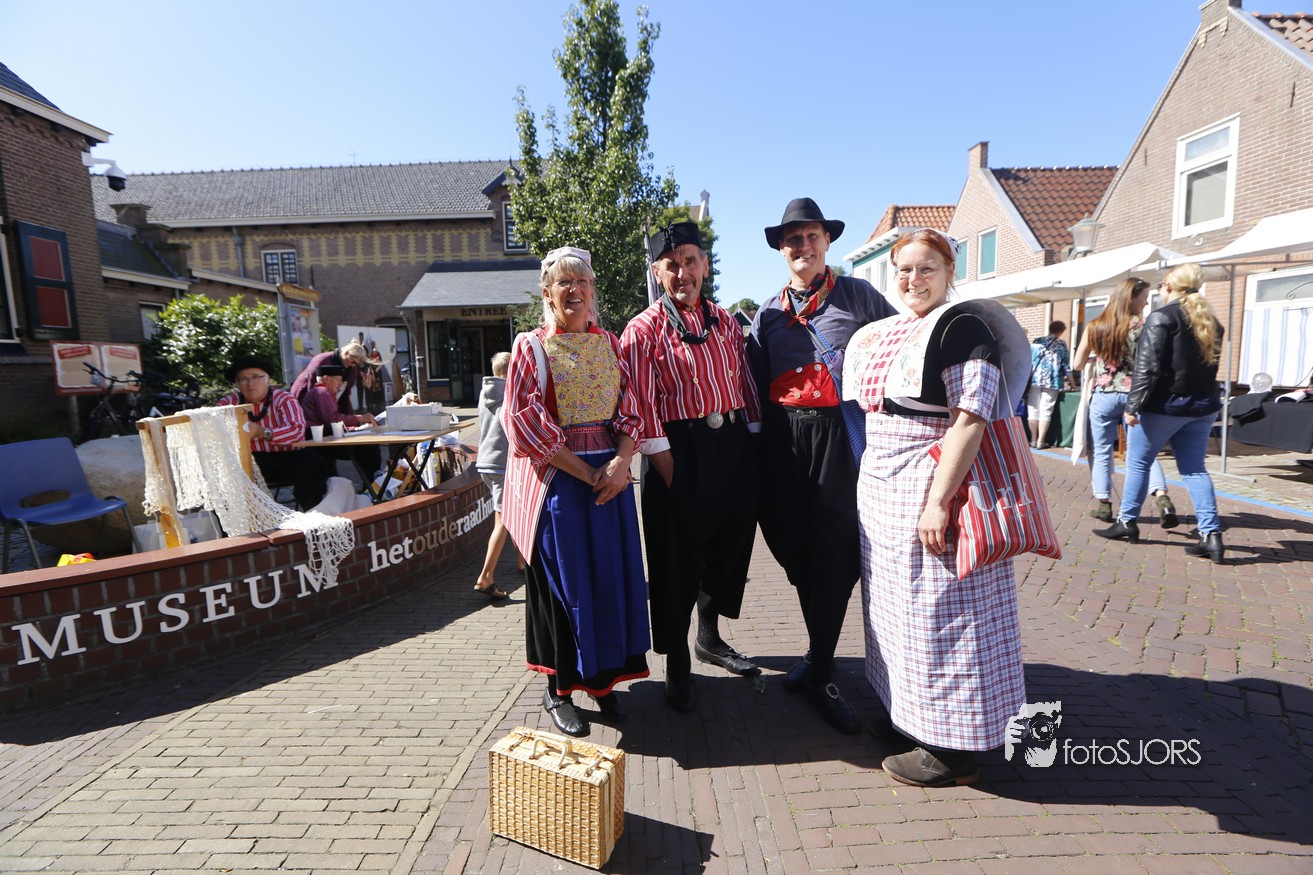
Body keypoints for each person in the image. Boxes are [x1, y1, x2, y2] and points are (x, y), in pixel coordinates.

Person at [843, 229, 1031, 787]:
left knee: (942, 614)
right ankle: (911, 716)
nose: (913, 279)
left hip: (930, 485)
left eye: (927, 268)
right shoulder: (892, 329)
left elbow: (970, 419)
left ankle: (951, 749)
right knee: (895, 612)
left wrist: (939, 502)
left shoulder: (963, 325)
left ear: (950, 271)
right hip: (886, 489)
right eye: (904, 269)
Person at [746, 197, 894, 735]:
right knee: (792, 545)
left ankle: (822, 670)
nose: (803, 246)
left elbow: (903, 346)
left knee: (837, 549)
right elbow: (756, 385)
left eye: (811, 236)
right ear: (781, 249)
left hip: (839, 435)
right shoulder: (767, 313)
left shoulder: (858, 296)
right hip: (785, 440)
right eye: (793, 239)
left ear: (827, 242)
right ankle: (817, 654)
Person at [501, 246, 650, 738]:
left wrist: (622, 463)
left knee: (608, 580)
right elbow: (524, 423)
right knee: (565, 586)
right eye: (563, 283)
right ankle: (559, 689)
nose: (574, 290)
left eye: (582, 281)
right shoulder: (531, 347)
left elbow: (632, 409)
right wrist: (588, 474)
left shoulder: (611, 343)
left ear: (592, 290)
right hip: (559, 484)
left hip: (611, 479)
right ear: (547, 293)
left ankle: (602, 681)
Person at [619, 221, 763, 714]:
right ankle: (677, 662)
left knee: (727, 548)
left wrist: (752, 441)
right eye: (672, 265)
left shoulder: (725, 321)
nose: (683, 273)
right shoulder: (642, 329)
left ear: (704, 266)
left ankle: (709, 637)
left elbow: (744, 383)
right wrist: (669, 469)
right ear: (658, 273)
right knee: (676, 561)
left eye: (690, 262)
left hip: (731, 445)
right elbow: (640, 402)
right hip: (675, 451)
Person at [1096, 263, 1227, 562]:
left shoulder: (1161, 317)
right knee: (1195, 470)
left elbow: (1148, 368)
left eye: (1160, 285)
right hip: (1202, 407)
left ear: (1168, 287)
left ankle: (1127, 522)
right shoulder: (1211, 321)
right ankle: (1211, 535)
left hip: (1165, 406)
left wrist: (1132, 407)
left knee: (1138, 464)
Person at [1071, 278, 1177, 526]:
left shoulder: (1096, 326)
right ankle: (1161, 496)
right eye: (1144, 297)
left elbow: (1076, 364)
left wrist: (1099, 361)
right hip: (1137, 396)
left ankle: (1103, 503)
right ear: (1131, 298)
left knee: (1101, 449)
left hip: (1104, 394)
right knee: (1143, 450)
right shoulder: (1146, 325)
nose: (1146, 303)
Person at [217, 355, 327, 509]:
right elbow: (215, 430)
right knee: (222, 473)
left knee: (310, 464)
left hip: (286, 458)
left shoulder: (284, 399)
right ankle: (236, 520)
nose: (250, 383)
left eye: (255, 377)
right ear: (238, 384)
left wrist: (262, 432)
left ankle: (315, 514)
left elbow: (296, 431)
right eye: (243, 379)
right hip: (249, 460)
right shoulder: (229, 403)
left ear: (267, 380)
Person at [474, 351, 518, 601]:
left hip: (486, 463)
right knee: (503, 519)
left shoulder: (485, 394)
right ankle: (486, 576)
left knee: (512, 513)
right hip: (502, 465)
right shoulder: (510, 396)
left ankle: (523, 563)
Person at [301, 363, 381, 479]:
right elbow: (333, 420)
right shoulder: (322, 392)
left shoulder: (319, 392)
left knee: (368, 445)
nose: (340, 385)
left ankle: (373, 483)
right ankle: (374, 483)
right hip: (318, 440)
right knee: (367, 446)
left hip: (321, 437)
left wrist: (354, 427)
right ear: (326, 379)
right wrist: (360, 418)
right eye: (338, 380)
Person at [290, 341, 370, 417]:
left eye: (357, 364)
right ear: (346, 353)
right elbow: (312, 391)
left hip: (328, 400)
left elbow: (345, 398)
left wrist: (352, 420)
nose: (353, 365)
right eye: (353, 362)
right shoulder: (322, 360)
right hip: (304, 394)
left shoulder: (352, 370)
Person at [1027, 320, 1071, 448]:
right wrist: (1073, 384)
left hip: (1035, 380)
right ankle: (1041, 441)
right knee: (1046, 411)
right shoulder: (1061, 344)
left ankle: (1033, 439)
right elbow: (1065, 366)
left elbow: (1030, 360)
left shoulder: (1037, 341)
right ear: (1061, 331)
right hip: (1052, 381)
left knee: (1033, 410)